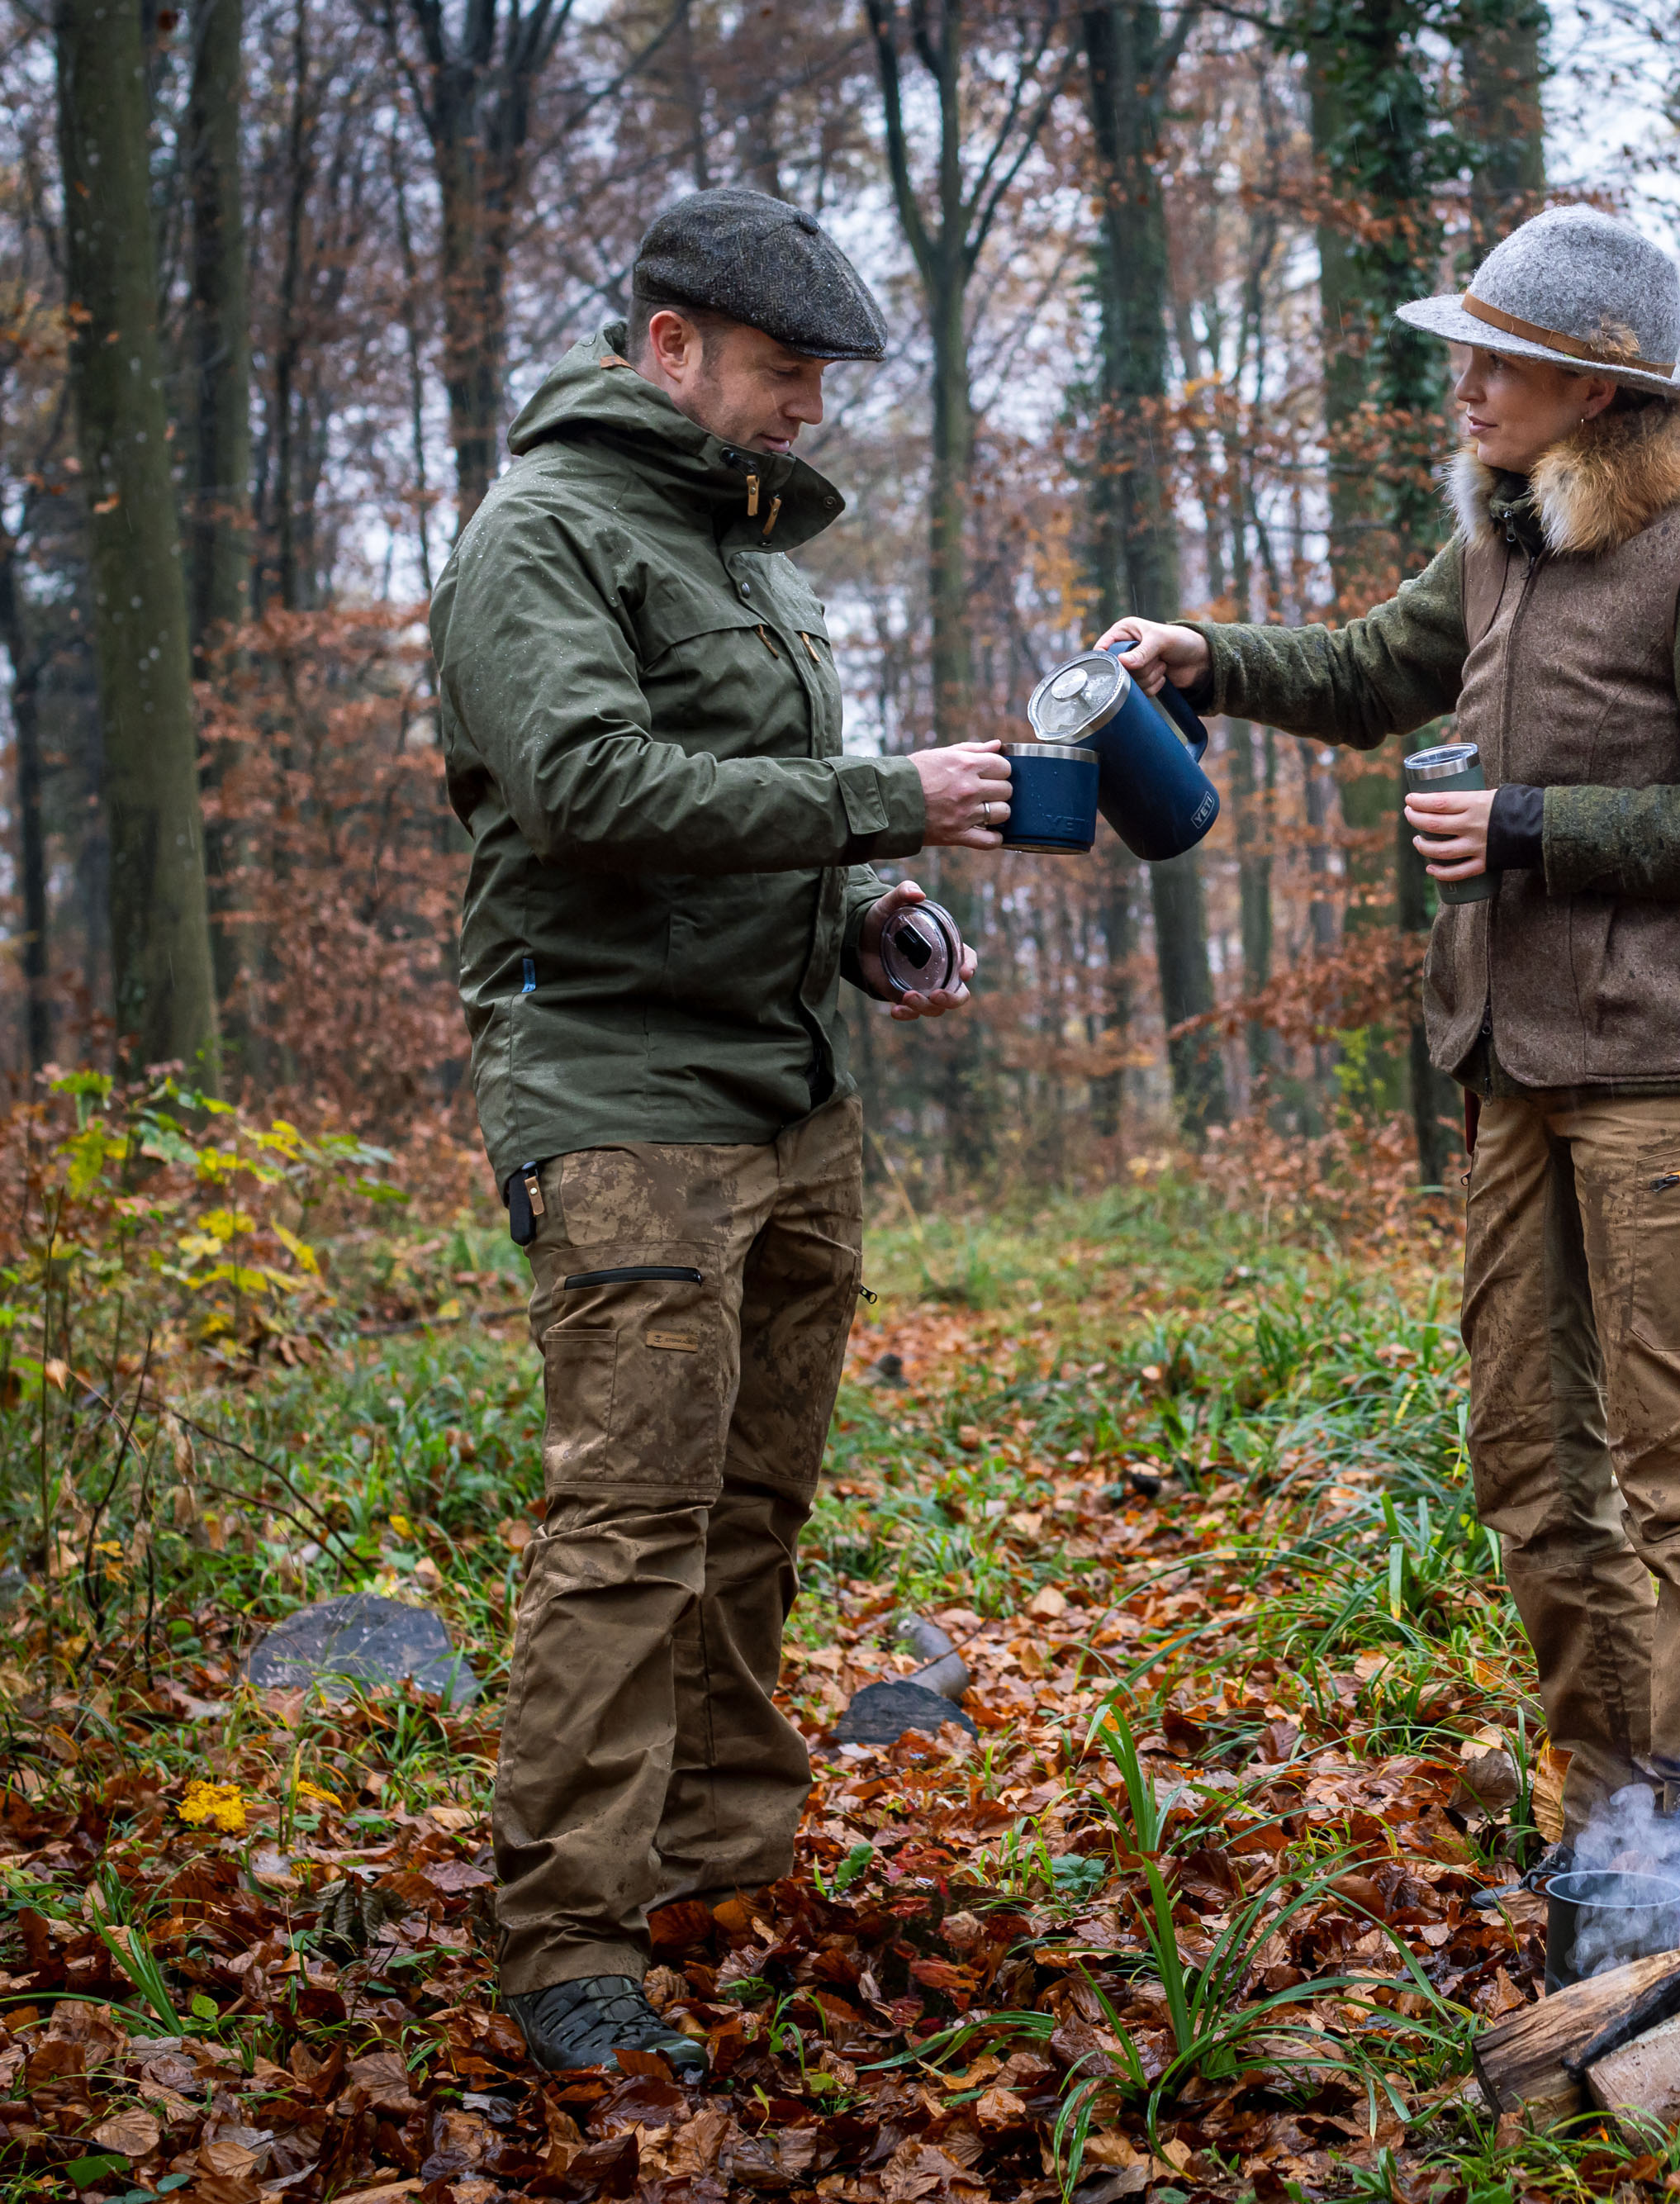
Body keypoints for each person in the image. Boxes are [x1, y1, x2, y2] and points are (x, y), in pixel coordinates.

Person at [1101, 206, 1680, 1853]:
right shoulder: (1501, 539)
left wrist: (1533, 827)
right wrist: (1205, 659)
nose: (1464, 383)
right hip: (1512, 1075)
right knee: (1530, 1465)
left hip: (1678, 1083)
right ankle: (1621, 1827)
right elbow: (1374, 670)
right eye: (1466, 351)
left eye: (1498, 360)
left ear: (1595, 389)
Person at [430, 188, 1015, 2073]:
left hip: (786, 1090)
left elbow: (750, 812)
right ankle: (567, 1944)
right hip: (620, 1096)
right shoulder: (542, 534)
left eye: (822, 377)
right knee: (631, 1527)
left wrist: (866, 915)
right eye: (781, 370)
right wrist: (882, 800)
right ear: (670, 345)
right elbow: (590, 790)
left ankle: (714, 1864)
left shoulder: (752, 553)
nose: (807, 408)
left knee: (754, 1506)